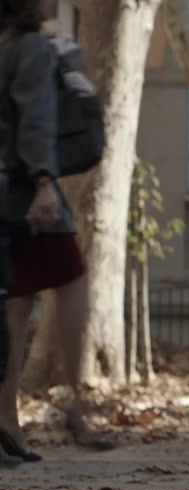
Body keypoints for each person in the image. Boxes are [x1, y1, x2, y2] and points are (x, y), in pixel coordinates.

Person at [0, 0, 113, 461]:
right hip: (28, 187)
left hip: (10, 184)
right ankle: (72, 404)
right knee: (71, 279)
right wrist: (45, 181)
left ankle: (9, 416)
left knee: (17, 297)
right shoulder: (29, 47)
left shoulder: (9, 44)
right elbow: (36, 116)